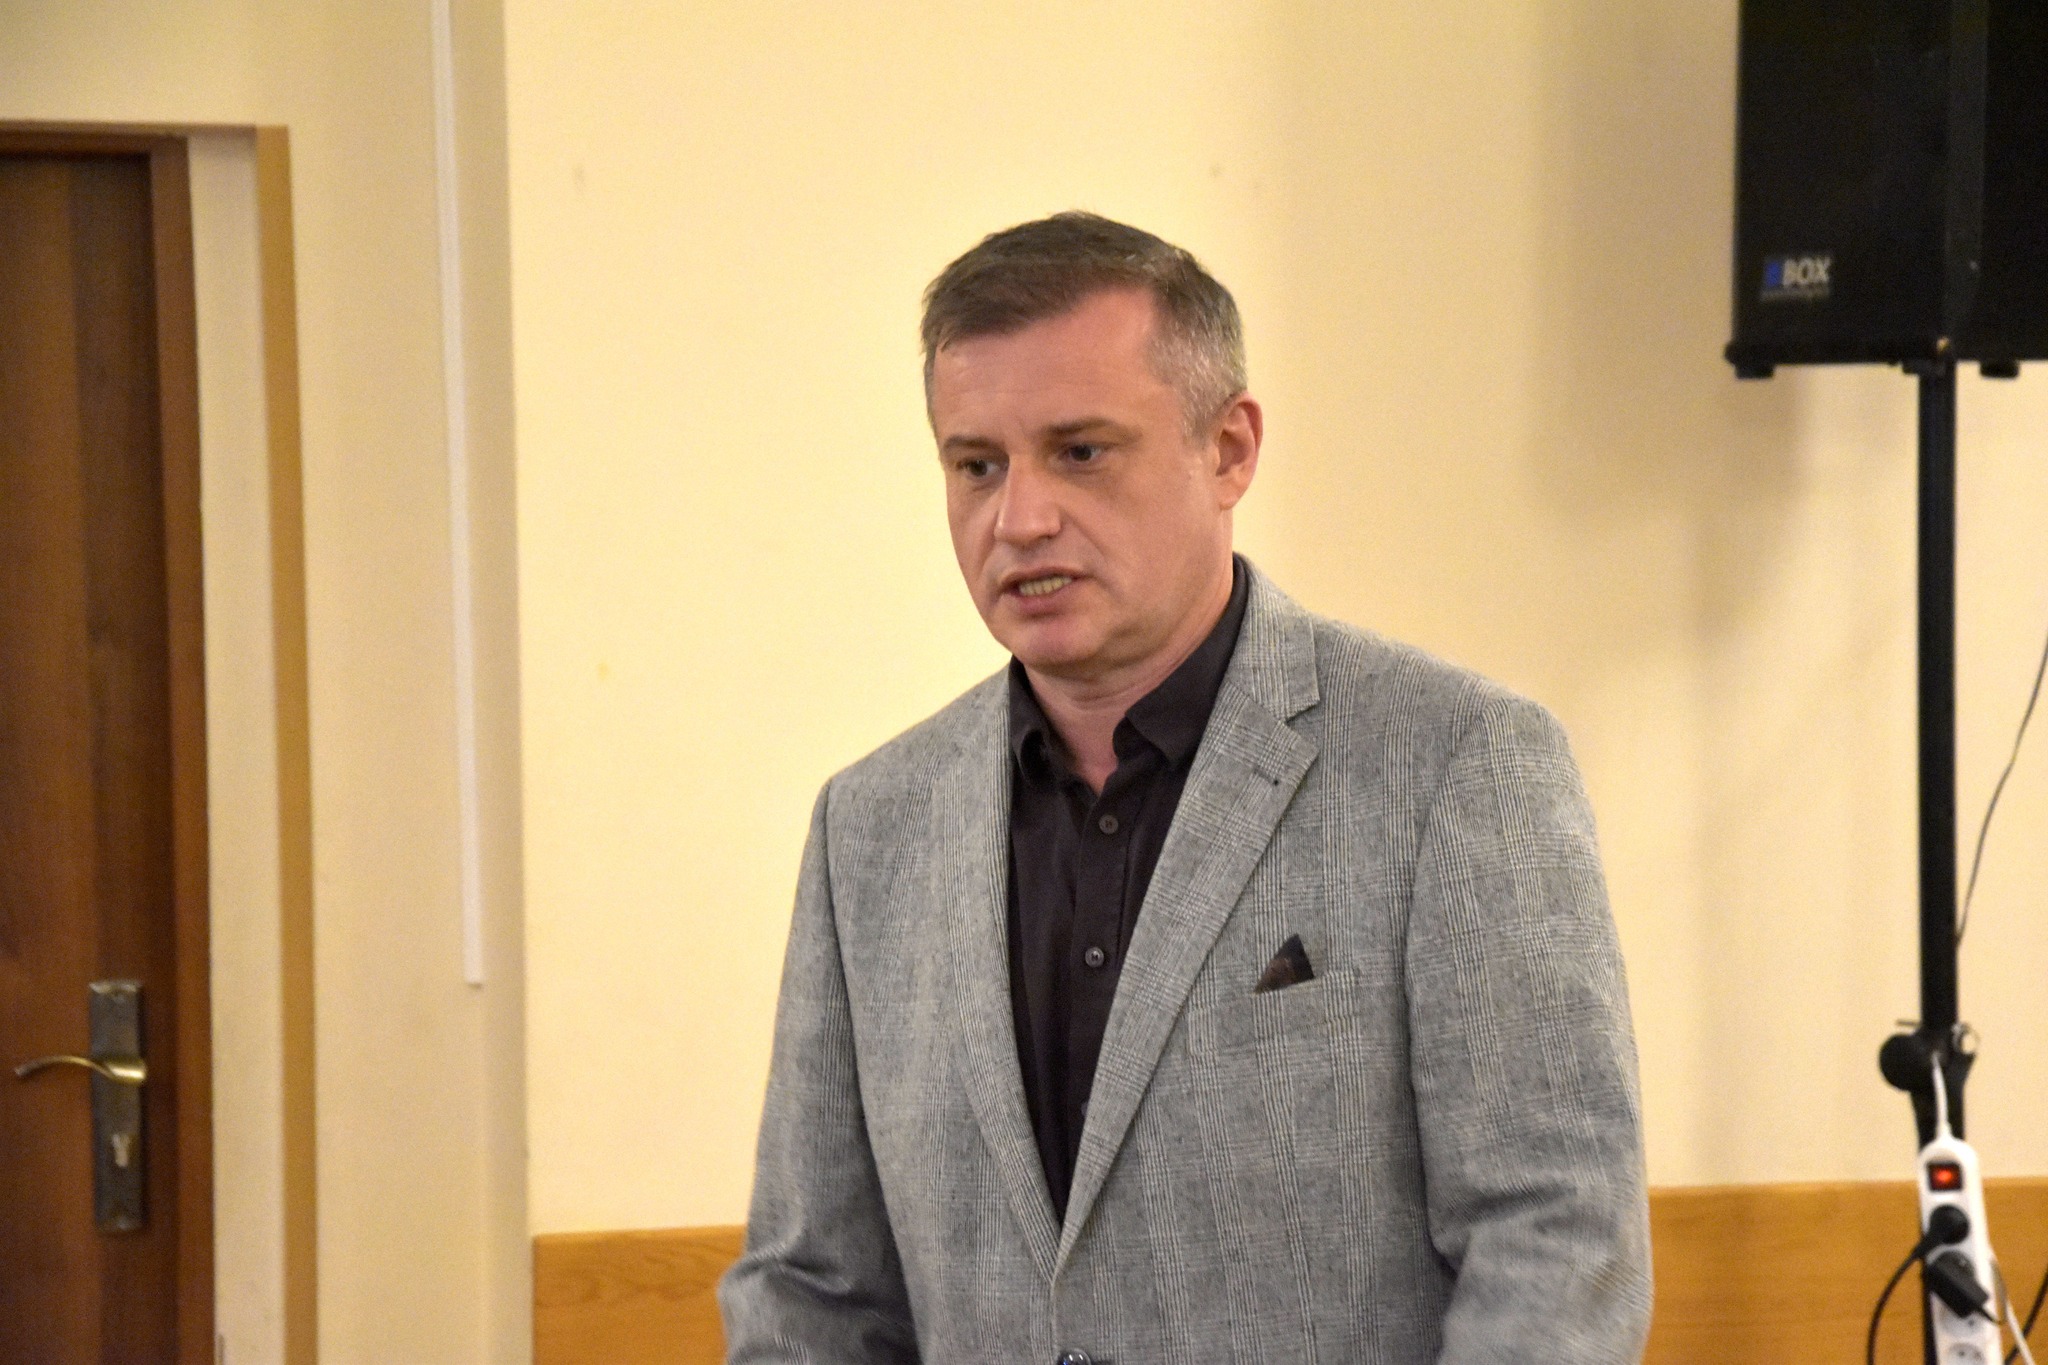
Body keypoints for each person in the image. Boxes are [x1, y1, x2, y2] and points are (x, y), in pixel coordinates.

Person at [719, 212, 1651, 1363]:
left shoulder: (1457, 764)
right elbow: (812, 1289)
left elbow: (1555, 1249)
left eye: (1079, 451)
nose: (1019, 518)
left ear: (1228, 449)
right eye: (976, 466)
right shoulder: (869, 826)